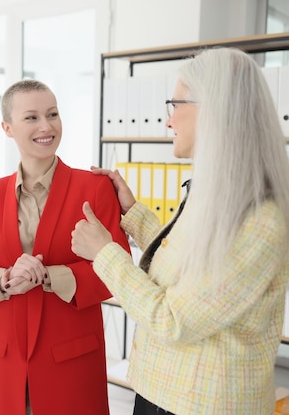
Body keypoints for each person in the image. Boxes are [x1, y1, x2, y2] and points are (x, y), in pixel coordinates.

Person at [71, 47, 289, 415]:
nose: (169, 121)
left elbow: (173, 319)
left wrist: (105, 254)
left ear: (214, 109)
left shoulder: (259, 218)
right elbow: (188, 264)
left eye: (175, 104)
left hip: (201, 404)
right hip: (161, 390)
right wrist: (132, 212)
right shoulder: (219, 192)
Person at [0, 79, 130, 415]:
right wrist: (4, 279)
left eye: (52, 114)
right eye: (32, 117)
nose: (46, 126)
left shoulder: (95, 189)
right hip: (4, 360)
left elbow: (117, 271)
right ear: (7, 128)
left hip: (71, 361)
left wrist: (49, 276)